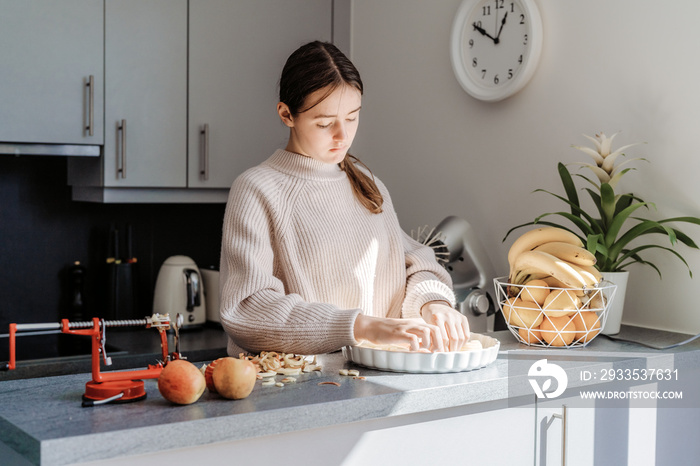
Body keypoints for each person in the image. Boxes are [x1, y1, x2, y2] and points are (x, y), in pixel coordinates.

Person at [219, 41, 469, 356]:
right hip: (301, 391)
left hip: (375, 382)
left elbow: (416, 263)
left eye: (352, 117)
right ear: (286, 114)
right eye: (325, 123)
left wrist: (433, 302)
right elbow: (247, 309)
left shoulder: (368, 185)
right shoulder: (257, 189)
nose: (343, 135)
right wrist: (361, 327)